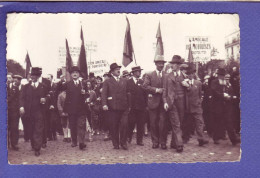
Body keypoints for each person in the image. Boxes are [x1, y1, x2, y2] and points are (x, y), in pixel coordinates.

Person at [101, 63, 130, 150]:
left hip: (124, 107)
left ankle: (123, 143)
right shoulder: (107, 81)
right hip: (112, 107)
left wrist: (129, 105)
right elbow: (104, 94)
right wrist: (104, 104)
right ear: (112, 72)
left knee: (124, 125)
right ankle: (115, 144)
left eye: (119, 69)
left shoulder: (124, 80)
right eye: (116, 69)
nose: (118, 70)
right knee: (114, 126)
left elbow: (128, 93)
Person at [19, 67, 47, 156]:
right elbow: (21, 98)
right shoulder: (25, 87)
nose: (33, 77)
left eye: (35, 75)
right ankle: (33, 144)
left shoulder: (43, 86)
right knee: (30, 129)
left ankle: (37, 148)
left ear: (38, 76)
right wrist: (22, 107)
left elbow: (49, 96)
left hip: (39, 112)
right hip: (28, 112)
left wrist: (45, 99)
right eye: (32, 75)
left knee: (38, 129)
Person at [143, 55, 167, 149]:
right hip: (153, 102)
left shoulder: (167, 75)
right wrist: (156, 90)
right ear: (156, 64)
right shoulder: (149, 74)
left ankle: (163, 142)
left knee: (163, 123)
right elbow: (145, 86)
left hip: (164, 103)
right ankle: (155, 142)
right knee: (153, 123)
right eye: (159, 63)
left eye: (162, 63)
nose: (161, 65)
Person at [210, 68, 240, 145]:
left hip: (227, 106)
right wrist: (223, 95)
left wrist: (230, 96)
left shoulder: (227, 83)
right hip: (217, 106)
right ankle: (216, 138)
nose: (222, 77)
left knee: (229, 122)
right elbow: (214, 92)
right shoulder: (214, 82)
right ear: (218, 75)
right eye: (220, 75)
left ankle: (234, 140)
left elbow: (231, 92)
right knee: (217, 122)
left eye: (223, 75)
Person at [181, 66, 209, 146]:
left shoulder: (198, 83)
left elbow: (200, 94)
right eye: (188, 74)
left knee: (199, 123)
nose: (190, 75)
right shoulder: (184, 83)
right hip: (187, 107)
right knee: (187, 124)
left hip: (196, 106)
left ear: (194, 74)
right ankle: (185, 138)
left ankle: (201, 139)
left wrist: (199, 101)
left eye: (191, 74)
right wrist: (187, 86)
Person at [64, 66, 87, 150]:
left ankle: (81, 142)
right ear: (70, 74)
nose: (75, 74)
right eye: (73, 73)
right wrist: (65, 109)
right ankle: (74, 141)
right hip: (72, 109)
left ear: (79, 74)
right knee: (73, 125)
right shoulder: (68, 84)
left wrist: (85, 93)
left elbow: (88, 95)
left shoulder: (83, 83)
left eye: (76, 73)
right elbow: (65, 97)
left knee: (81, 125)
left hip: (81, 109)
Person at [167, 55, 186, 149]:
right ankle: (179, 144)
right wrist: (166, 102)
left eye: (174, 64)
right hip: (172, 102)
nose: (172, 66)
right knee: (176, 123)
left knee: (179, 123)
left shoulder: (184, 76)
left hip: (182, 103)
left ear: (178, 65)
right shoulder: (168, 76)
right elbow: (165, 90)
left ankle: (173, 143)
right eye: (172, 64)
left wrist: (187, 85)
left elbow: (190, 89)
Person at [127, 66, 147, 146]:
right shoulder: (128, 82)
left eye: (140, 71)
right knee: (131, 123)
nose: (140, 72)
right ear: (134, 72)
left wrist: (146, 105)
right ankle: (128, 138)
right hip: (132, 107)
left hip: (141, 107)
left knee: (141, 124)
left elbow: (145, 94)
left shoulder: (143, 82)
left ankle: (139, 140)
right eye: (138, 71)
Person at [8, 74, 22, 151]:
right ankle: (6, 144)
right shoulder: (5, 87)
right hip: (6, 111)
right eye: (8, 78)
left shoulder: (16, 88)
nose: (9, 79)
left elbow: (19, 99)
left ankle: (14, 144)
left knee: (14, 128)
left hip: (14, 112)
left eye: (11, 78)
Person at [46, 74, 58, 141]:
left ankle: (54, 134)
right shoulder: (45, 86)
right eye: (47, 78)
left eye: (49, 78)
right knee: (47, 121)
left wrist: (53, 105)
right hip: (47, 107)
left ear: (52, 78)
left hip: (54, 106)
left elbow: (56, 97)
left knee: (53, 121)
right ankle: (49, 136)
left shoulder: (55, 86)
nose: (48, 79)